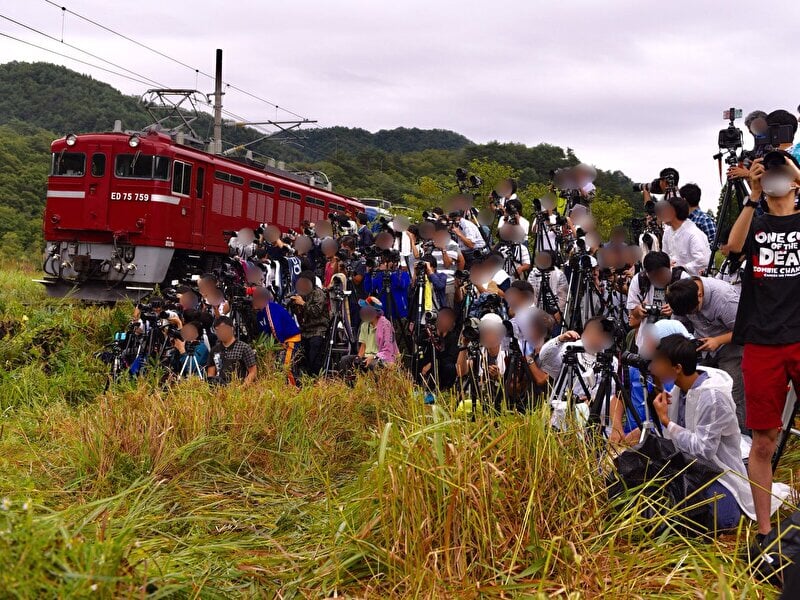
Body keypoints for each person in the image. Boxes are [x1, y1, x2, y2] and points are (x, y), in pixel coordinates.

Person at [726, 149, 800, 542]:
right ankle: (764, 532)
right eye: (767, 172)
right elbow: (733, 246)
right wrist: (753, 194)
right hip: (761, 341)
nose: (773, 176)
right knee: (763, 440)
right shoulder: (755, 221)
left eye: (779, 172)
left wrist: (791, 167)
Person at [647, 335, 787, 532]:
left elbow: (704, 450)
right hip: (691, 467)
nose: (652, 368)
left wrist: (667, 422)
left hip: (718, 471)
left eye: (658, 363)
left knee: (723, 519)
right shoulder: (681, 388)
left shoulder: (712, 397)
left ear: (677, 368)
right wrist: (659, 392)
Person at [665, 276, 745, 433]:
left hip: (731, 345)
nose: (691, 314)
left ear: (700, 295)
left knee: (732, 394)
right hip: (703, 346)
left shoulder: (725, 299)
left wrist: (718, 341)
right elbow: (680, 324)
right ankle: (699, 433)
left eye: (693, 311)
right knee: (695, 390)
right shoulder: (681, 295)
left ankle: (741, 437)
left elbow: (745, 331)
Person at [539, 315, 617, 429]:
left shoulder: (611, 361)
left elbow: (613, 395)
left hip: (593, 420)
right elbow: (544, 358)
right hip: (562, 416)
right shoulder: (570, 349)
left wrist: (595, 399)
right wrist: (560, 339)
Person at [626, 251, 689, 352]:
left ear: (669, 267)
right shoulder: (639, 280)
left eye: (661, 274)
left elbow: (695, 308)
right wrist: (639, 310)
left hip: (677, 341)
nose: (658, 279)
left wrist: (675, 307)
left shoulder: (682, 279)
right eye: (653, 276)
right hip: (648, 340)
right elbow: (633, 312)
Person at [252, 287, 301, 385]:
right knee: (278, 366)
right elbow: (264, 333)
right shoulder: (260, 314)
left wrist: (281, 342)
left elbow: (274, 326)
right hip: (278, 342)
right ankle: (284, 386)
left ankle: (294, 388)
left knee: (286, 365)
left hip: (289, 340)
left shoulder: (270, 308)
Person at [339, 296, 400, 373]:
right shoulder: (364, 325)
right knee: (345, 360)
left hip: (382, 358)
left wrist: (374, 357)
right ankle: (349, 381)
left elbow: (388, 350)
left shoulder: (386, 325)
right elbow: (363, 346)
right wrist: (358, 358)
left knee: (373, 364)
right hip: (367, 356)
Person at [656, 196, 711, 276]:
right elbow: (665, 255)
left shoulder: (693, 233)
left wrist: (680, 268)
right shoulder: (667, 232)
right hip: (672, 278)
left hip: (692, 280)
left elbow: (703, 261)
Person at [290, 271, 330, 376]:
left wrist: (302, 303)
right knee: (301, 356)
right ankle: (304, 378)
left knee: (314, 357)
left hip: (318, 329)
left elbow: (316, 312)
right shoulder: (301, 293)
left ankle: (315, 378)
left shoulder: (318, 293)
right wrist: (294, 305)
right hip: (305, 330)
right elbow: (298, 314)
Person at [206, 316, 258, 385]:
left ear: (232, 328)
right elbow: (210, 374)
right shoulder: (214, 350)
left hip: (238, 386)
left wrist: (243, 387)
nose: (221, 332)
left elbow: (253, 372)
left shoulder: (244, 348)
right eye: (218, 330)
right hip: (220, 388)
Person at [419, 306, 460, 393]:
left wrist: (432, 364)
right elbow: (418, 341)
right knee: (417, 357)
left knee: (450, 367)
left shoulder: (453, 338)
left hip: (442, 368)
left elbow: (451, 358)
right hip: (427, 364)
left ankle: (445, 390)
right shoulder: (430, 332)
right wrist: (428, 330)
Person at [528, 250, 568, 321]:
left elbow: (563, 296)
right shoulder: (533, 273)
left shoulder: (559, 274)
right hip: (537, 311)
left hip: (554, 311)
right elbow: (531, 294)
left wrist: (559, 312)